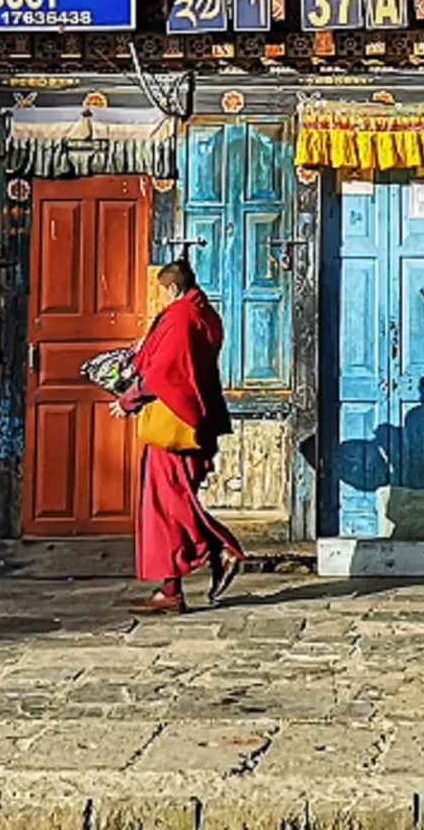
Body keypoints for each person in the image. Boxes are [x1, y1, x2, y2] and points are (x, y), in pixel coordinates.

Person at [110, 261, 244, 615]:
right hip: (198, 419)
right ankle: (170, 590)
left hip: (175, 422)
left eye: (161, 292)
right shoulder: (205, 314)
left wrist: (128, 400)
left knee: (168, 503)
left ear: (170, 288)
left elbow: (163, 372)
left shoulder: (181, 318)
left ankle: (220, 548)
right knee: (168, 505)